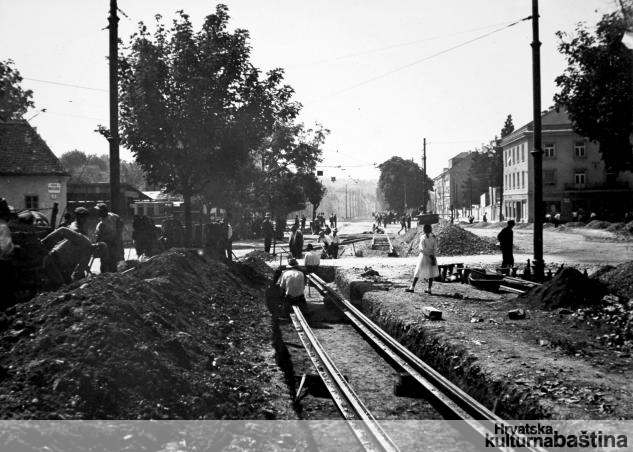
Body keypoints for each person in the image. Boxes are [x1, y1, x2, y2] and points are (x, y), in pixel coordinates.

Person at [405, 224, 439, 294]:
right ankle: (429, 289)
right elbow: (435, 249)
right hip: (431, 257)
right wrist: (432, 255)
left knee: (418, 271)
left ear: (424, 230)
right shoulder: (434, 237)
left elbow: (421, 249)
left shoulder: (423, 237)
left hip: (423, 257)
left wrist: (427, 253)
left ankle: (412, 287)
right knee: (431, 272)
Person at [94, 203, 124, 273]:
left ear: (102, 211)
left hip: (108, 246)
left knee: (106, 265)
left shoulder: (102, 224)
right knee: (112, 264)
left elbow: (99, 237)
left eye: (98, 211)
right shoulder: (113, 216)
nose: (97, 212)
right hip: (114, 244)